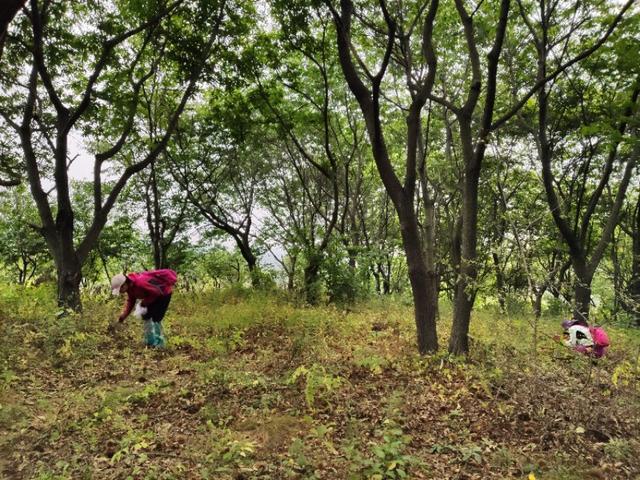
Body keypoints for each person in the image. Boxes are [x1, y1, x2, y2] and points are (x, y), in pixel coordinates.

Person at [111, 269, 178, 348]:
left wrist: (144, 303)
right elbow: (131, 301)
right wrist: (123, 316)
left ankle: (160, 343)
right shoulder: (129, 288)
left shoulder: (140, 283)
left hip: (163, 294)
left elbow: (156, 292)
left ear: (124, 284)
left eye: (120, 290)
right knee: (146, 316)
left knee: (156, 318)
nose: (120, 292)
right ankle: (150, 341)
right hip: (151, 296)